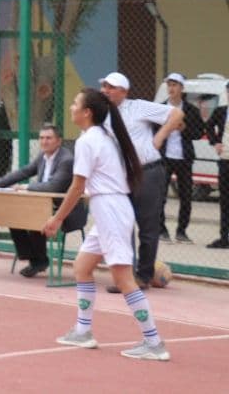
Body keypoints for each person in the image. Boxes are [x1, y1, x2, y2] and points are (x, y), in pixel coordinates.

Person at [44, 88, 169, 361]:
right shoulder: (103, 136)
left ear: (87, 112)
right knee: (82, 267)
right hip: (108, 209)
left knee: (123, 279)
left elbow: (77, 186)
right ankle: (83, 331)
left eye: (75, 103)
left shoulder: (89, 140)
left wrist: (57, 218)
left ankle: (154, 343)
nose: (71, 107)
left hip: (111, 210)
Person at [98, 71, 182, 290]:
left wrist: (159, 138)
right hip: (121, 176)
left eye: (111, 87)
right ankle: (127, 276)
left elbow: (176, 114)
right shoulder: (102, 114)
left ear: (123, 91)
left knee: (147, 226)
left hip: (148, 172)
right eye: (104, 86)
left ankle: (143, 277)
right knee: (123, 226)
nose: (105, 90)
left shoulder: (138, 107)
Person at [0, 123, 85, 277]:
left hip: (65, 210)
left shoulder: (66, 160)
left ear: (58, 141)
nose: (44, 141)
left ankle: (38, 261)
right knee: (14, 216)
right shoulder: (43, 156)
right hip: (43, 205)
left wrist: (25, 187)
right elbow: (24, 172)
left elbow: (53, 187)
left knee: (35, 216)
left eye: (49, 138)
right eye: (42, 138)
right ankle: (35, 259)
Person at [158, 73, 201, 244]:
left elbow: (198, 133)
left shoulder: (191, 110)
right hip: (164, 157)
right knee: (160, 196)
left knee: (186, 196)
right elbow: (153, 131)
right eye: (169, 85)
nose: (171, 88)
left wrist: (184, 128)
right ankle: (161, 230)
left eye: (175, 85)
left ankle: (181, 231)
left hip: (184, 158)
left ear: (182, 88)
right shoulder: (160, 108)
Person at [206, 81, 229, 249]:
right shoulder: (221, 111)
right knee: (225, 200)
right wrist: (215, 142)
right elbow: (208, 126)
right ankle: (224, 237)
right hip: (225, 160)